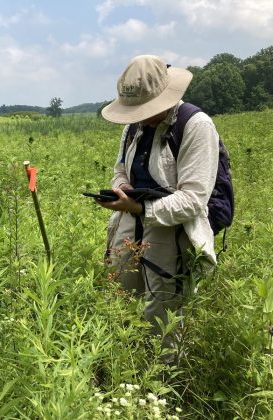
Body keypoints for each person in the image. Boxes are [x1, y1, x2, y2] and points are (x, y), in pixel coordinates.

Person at [96, 55, 219, 351]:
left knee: (161, 311)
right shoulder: (134, 127)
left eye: (144, 109)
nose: (139, 116)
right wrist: (122, 188)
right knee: (119, 298)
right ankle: (121, 367)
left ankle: (158, 382)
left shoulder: (195, 125)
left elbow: (192, 199)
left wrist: (141, 208)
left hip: (170, 230)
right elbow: (120, 169)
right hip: (129, 219)